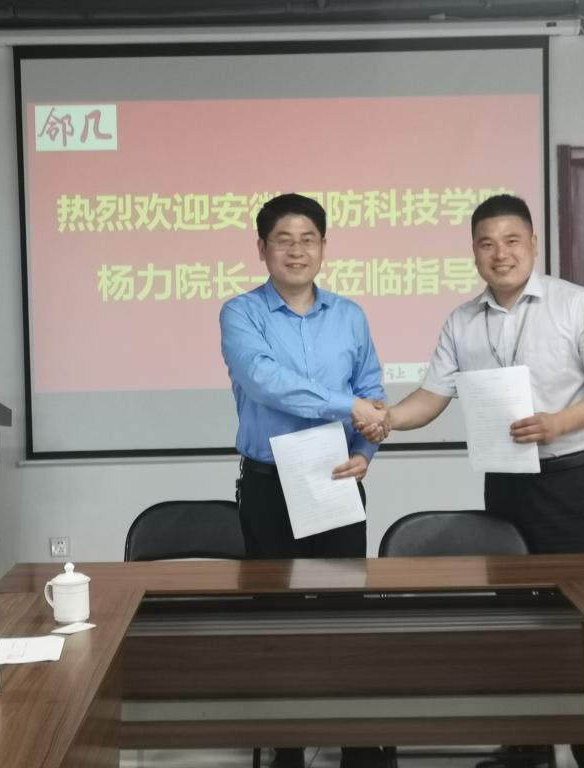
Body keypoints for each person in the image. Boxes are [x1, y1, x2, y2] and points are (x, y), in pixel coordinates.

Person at [360, 193, 584, 768]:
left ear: (534, 243)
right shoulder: (463, 320)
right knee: (516, 611)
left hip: (571, 480)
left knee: (580, 610)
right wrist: (388, 419)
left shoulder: (577, 305)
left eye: (511, 241)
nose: (500, 254)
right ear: (474, 252)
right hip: (505, 482)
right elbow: (432, 396)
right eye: (487, 244)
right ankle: (527, 739)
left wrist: (559, 423)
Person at [219, 193, 391, 768]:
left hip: (336, 476)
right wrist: (350, 407)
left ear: (323, 246)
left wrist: (366, 449)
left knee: (346, 615)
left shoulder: (350, 316)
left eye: (307, 239)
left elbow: (373, 392)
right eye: (283, 240)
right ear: (262, 248)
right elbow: (266, 381)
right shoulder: (240, 313)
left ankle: (358, 745)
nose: (296, 251)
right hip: (269, 484)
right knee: (276, 618)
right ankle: (286, 746)